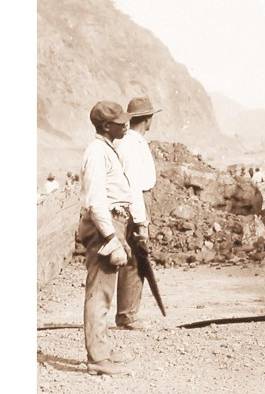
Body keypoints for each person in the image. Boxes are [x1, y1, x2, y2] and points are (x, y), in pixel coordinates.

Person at [78, 101, 149, 375]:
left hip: (113, 220)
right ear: (106, 126)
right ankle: (97, 358)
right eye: (121, 122)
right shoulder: (96, 153)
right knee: (100, 293)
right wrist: (111, 239)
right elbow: (96, 202)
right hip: (103, 225)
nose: (127, 124)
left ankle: (103, 349)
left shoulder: (108, 149)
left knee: (105, 292)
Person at [113, 96, 161, 330]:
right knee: (134, 259)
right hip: (134, 205)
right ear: (148, 119)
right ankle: (127, 315)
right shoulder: (130, 145)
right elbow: (133, 185)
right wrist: (141, 221)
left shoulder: (135, 141)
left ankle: (128, 313)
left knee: (135, 259)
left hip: (136, 203)